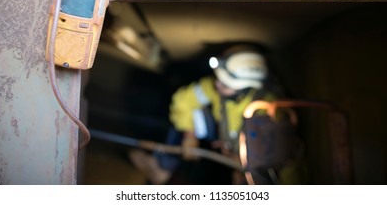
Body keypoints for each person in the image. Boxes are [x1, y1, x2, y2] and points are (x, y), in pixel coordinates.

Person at [129, 44, 304, 184]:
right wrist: (189, 136)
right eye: (219, 79)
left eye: (225, 83)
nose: (218, 85)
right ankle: (162, 166)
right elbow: (183, 100)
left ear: (244, 87)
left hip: (249, 159)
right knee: (188, 113)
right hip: (223, 138)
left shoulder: (269, 110)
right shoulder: (215, 87)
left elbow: (288, 161)